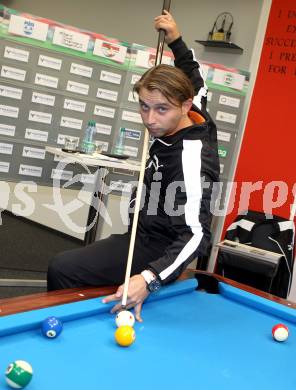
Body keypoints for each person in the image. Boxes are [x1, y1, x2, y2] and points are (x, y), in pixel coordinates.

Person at [47, 11, 219, 321]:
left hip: (161, 246)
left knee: (63, 268)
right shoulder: (195, 108)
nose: (150, 119)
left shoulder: (191, 158)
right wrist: (176, 40)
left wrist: (149, 278)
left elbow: (196, 235)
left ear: (182, 105)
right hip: (142, 230)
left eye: (161, 109)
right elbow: (196, 79)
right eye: (144, 106)